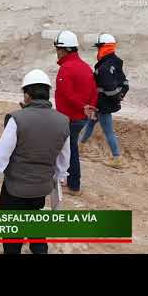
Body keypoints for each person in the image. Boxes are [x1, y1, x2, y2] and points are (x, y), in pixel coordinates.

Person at [0, 69, 70, 255]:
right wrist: (61, 175)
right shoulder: (63, 121)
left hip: (15, 189)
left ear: (27, 95)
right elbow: (64, 156)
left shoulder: (17, 119)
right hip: (41, 188)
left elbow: (2, 153)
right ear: (47, 94)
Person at [53, 31, 97, 196]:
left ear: (64, 50)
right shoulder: (86, 67)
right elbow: (94, 91)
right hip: (81, 118)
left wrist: (82, 106)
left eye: (58, 49)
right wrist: (89, 108)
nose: (57, 53)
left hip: (69, 118)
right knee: (70, 148)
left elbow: (67, 94)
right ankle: (67, 179)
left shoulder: (66, 68)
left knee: (68, 150)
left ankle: (73, 184)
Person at [80, 34, 129, 169]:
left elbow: (108, 88)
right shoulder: (115, 62)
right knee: (90, 124)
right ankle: (80, 146)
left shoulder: (105, 66)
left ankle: (116, 158)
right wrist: (120, 95)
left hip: (103, 104)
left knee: (108, 131)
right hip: (100, 103)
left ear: (104, 47)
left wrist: (115, 97)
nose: (97, 50)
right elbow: (124, 82)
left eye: (99, 47)